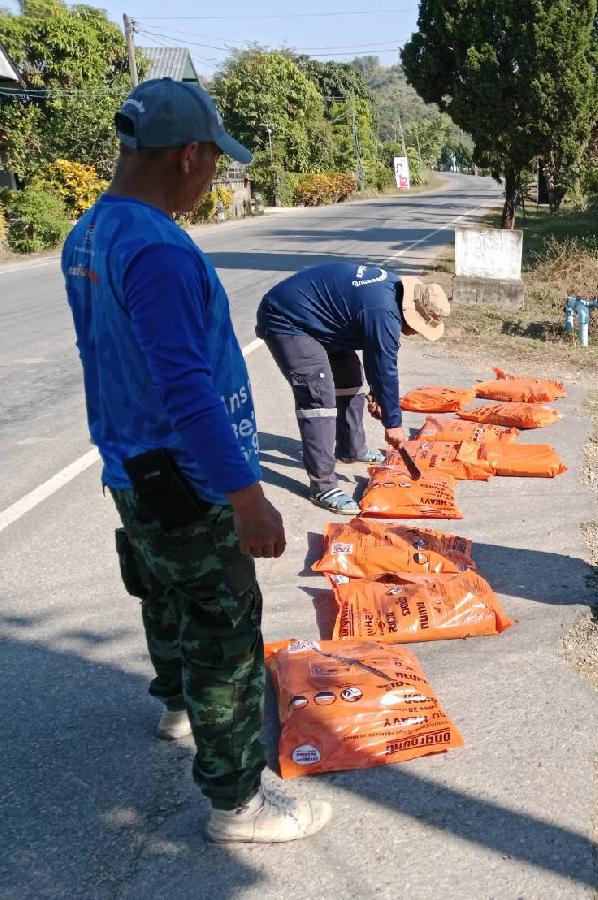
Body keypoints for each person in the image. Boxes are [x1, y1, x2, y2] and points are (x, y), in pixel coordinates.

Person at [62, 78, 331, 843]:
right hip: (189, 476)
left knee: (163, 591)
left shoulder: (90, 232)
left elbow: (105, 356)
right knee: (222, 630)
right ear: (188, 155)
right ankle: (236, 804)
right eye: (214, 163)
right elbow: (186, 388)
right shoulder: (157, 251)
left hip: (134, 466)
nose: (213, 178)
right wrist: (248, 497)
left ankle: (177, 706)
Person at [255, 263, 450, 514]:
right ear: (410, 312)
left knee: (349, 377)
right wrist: (393, 423)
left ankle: (350, 449)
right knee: (318, 395)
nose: (414, 333)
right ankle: (323, 487)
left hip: (326, 322)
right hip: (288, 319)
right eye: (417, 326)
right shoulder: (382, 311)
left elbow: (378, 360)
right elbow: (384, 366)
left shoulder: (391, 293)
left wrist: (379, 395)